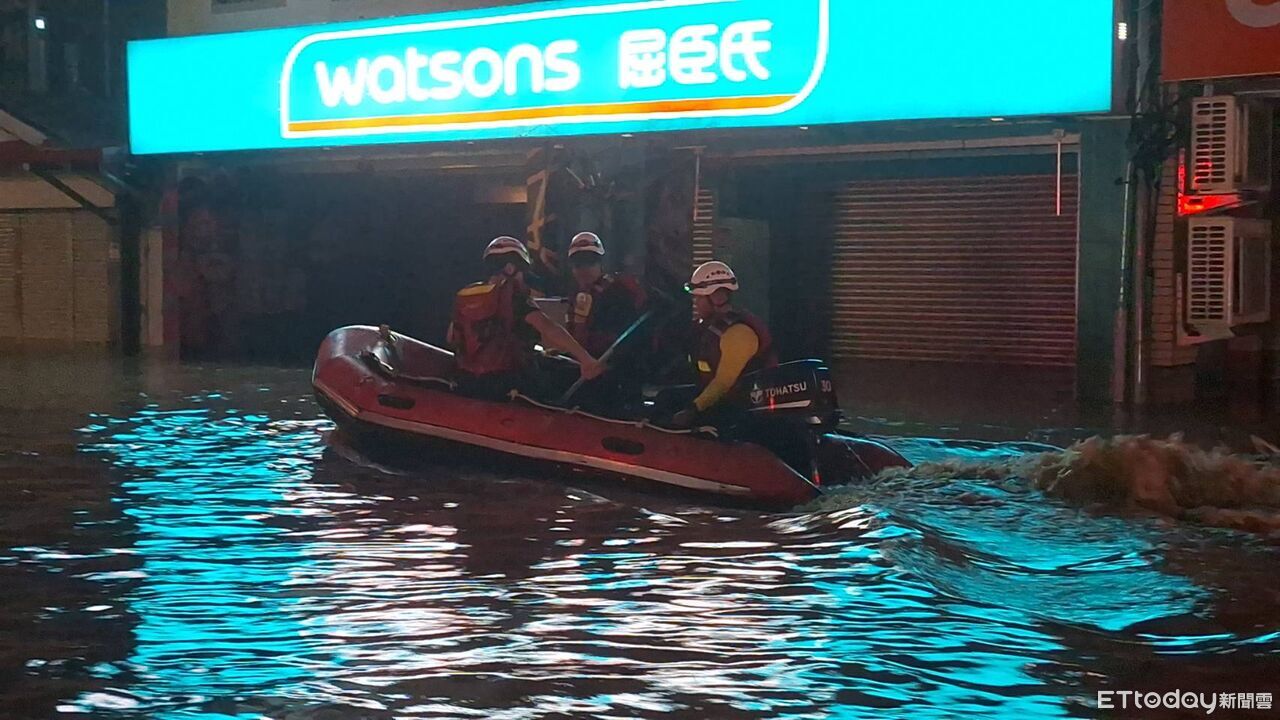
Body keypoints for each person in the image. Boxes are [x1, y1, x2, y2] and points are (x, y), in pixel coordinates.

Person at [447, 236, 604, 400]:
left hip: (467, 381)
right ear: (510, 268)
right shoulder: (511, 294)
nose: (523, 278)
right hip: (507, 381)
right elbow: (548, 327)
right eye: (522, 272)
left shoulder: (466, 295)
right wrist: (586, 359)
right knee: (567, 376)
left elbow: (451, 337)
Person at [669, 260, 777, 429]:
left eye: (699, 297)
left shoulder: (738, 333)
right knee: (667, 398)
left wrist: (692, 410)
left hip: (741, 408)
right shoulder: (710, 327)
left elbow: (723, 383)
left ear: (717, 297)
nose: (695, 302)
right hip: (718, 399)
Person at [565, 232, 648, 357]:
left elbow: (626, 338)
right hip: (584, 362)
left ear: (600, 263)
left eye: (590, 262)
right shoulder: (576, 296)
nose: (584, 269)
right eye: (578, 264)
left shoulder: (618, 291)